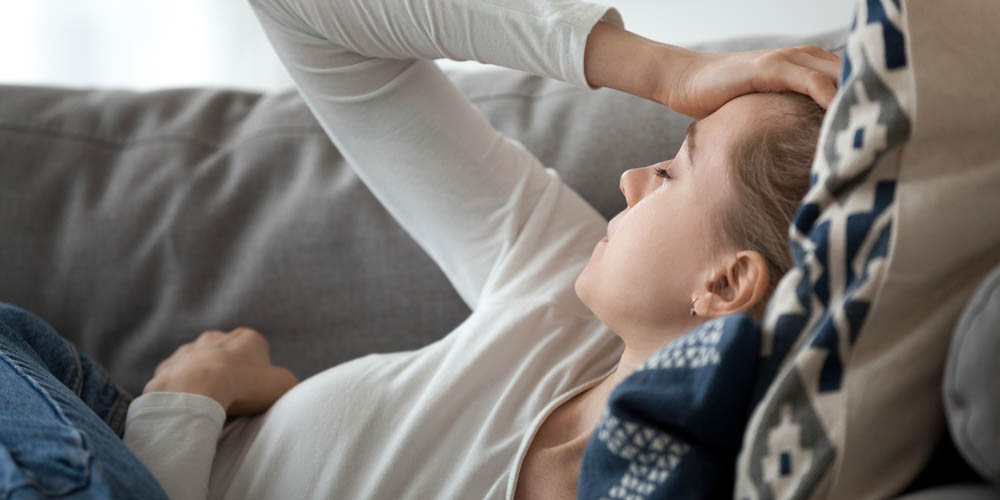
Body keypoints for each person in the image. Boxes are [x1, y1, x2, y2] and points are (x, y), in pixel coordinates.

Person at [0, 0, 842, 499]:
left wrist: (183, 405)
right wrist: (656, 67)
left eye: (672, 168)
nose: (628, 178)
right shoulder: (552, 286)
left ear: (725, 282)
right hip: (64, 417)